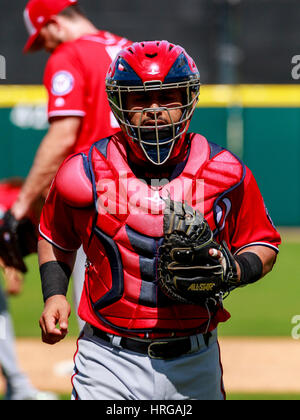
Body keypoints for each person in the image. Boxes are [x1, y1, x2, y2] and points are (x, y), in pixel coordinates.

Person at [37, 41, 281, 400]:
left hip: (194, 359)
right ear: (119, 103)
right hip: (108, 359)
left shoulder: (226, 172)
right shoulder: (83, 171)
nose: (154, 109)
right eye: (140, 98)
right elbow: (55, 236)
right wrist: (54, 294)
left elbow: (263, 242)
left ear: (188, 98)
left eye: (167, 96)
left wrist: (234, 269)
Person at [12, 0, 131, 330]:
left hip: (94, 194)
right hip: (145, 192)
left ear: (53, 24)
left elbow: (64, 135)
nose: (45, 47)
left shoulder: (67, 55)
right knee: (139, 298)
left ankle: (98, 373)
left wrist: (21, 205)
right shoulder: (129, 49)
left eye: (43, 38)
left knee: (91, 308)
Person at [0, 178, 57, 400]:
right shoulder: (14, 204)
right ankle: (17, 386)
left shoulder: (45, 214)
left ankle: (17, 386)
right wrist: (8, 268)